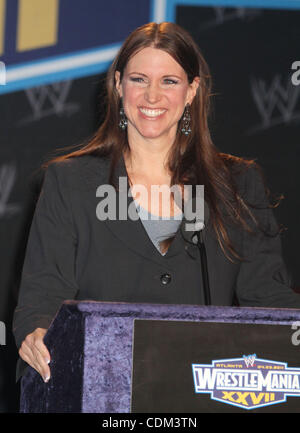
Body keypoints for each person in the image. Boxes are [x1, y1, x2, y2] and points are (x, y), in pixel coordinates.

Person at [13, 21, 300, 385]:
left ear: (192, 90)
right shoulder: (70, 183)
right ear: (118, 85)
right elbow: (42, 300)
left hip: (203, 391)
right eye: (138, 79)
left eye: (169, 81)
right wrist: (36, 335)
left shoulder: (238, 184)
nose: (152, 96)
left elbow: (269, 299)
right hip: (102, 389)